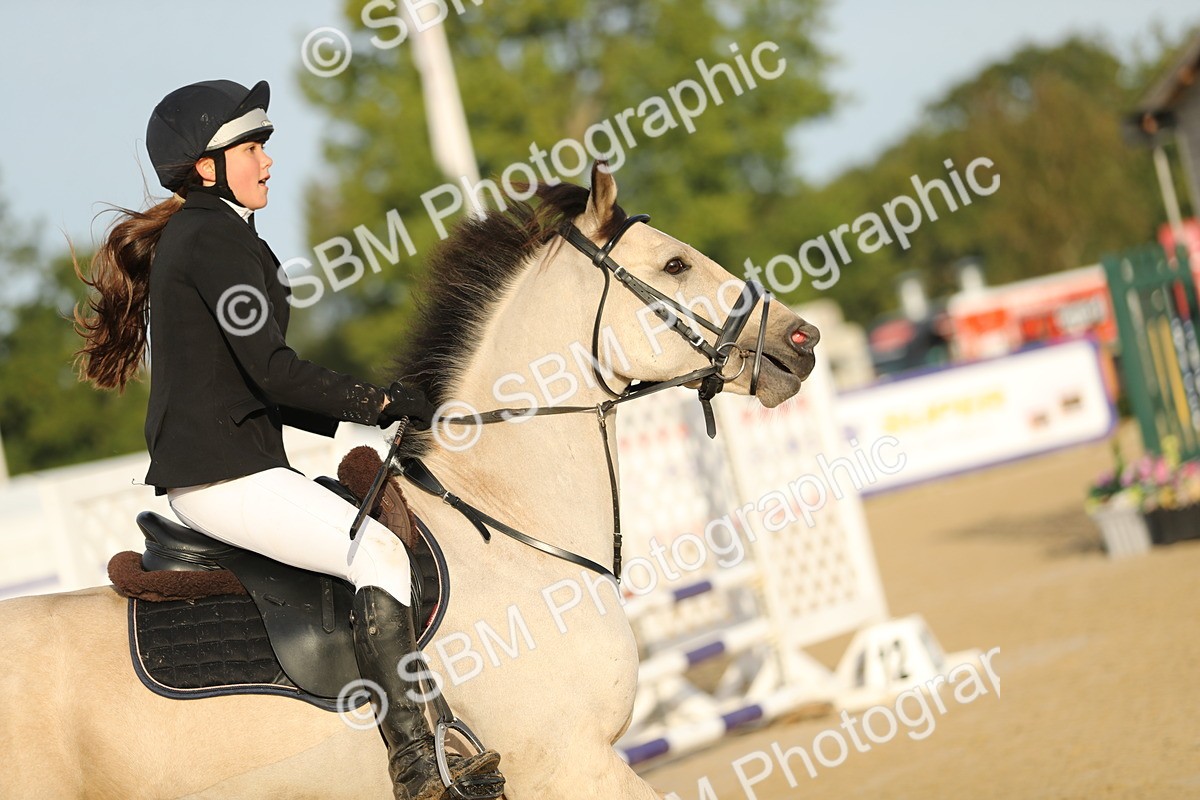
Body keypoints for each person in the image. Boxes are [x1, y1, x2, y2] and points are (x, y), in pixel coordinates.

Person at [73, 79, 503, 800]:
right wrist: (383, 398)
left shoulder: (213, 236)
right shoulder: (211, 239)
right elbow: (273, 371)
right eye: (251, 147)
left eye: (265, 144)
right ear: (205, 168)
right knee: (379, 551)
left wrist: (376, 410)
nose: (268, 160)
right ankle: (418, 760)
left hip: (228, 468)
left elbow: (250, 380)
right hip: (225, 477)